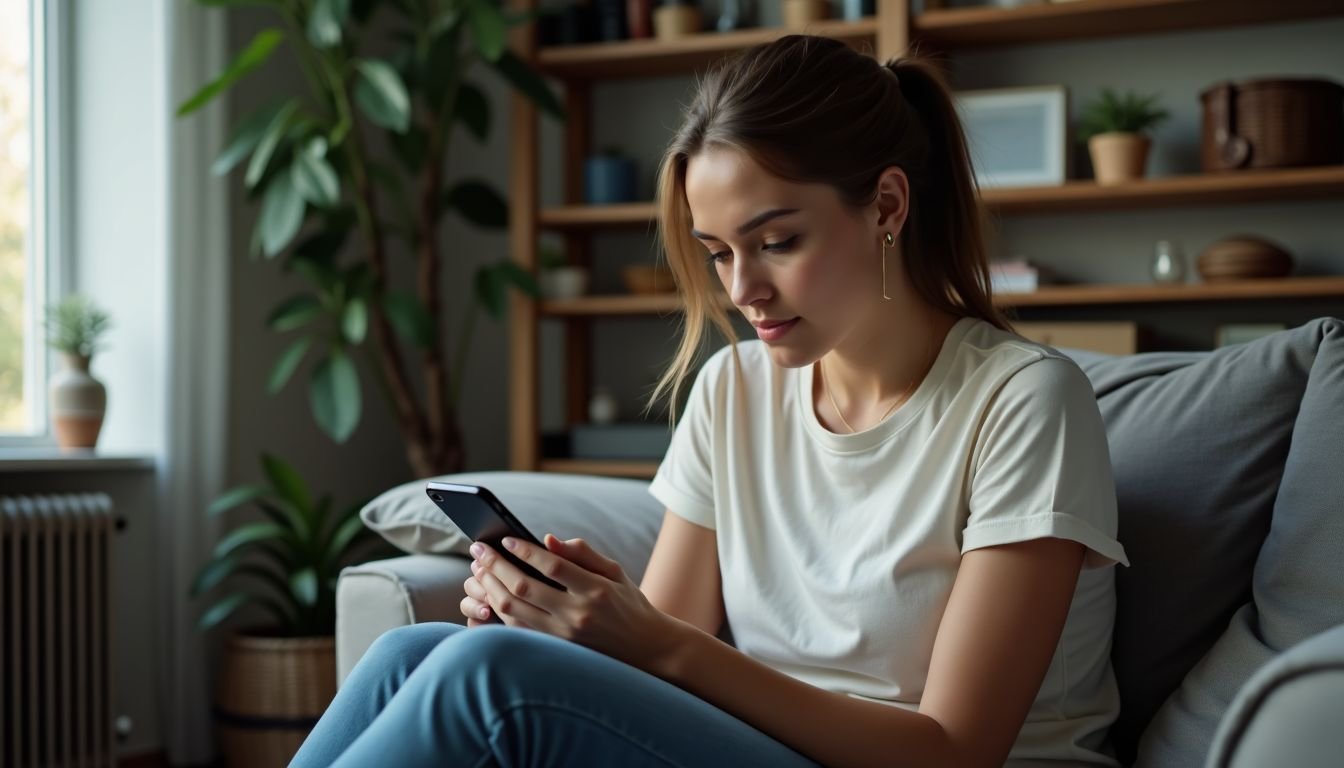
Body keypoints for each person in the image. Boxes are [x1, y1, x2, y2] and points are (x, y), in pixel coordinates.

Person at [290, 34, 1129, 768]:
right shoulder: (734, 390)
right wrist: (561, 616)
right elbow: (643, 663)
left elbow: (954, 750)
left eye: (777, 243)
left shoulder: (1023, 402)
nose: (743, 290)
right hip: (761, 748)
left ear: (887, 206)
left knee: (483, 682)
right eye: (718, 253)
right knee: (415, 651)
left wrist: (654, 641)